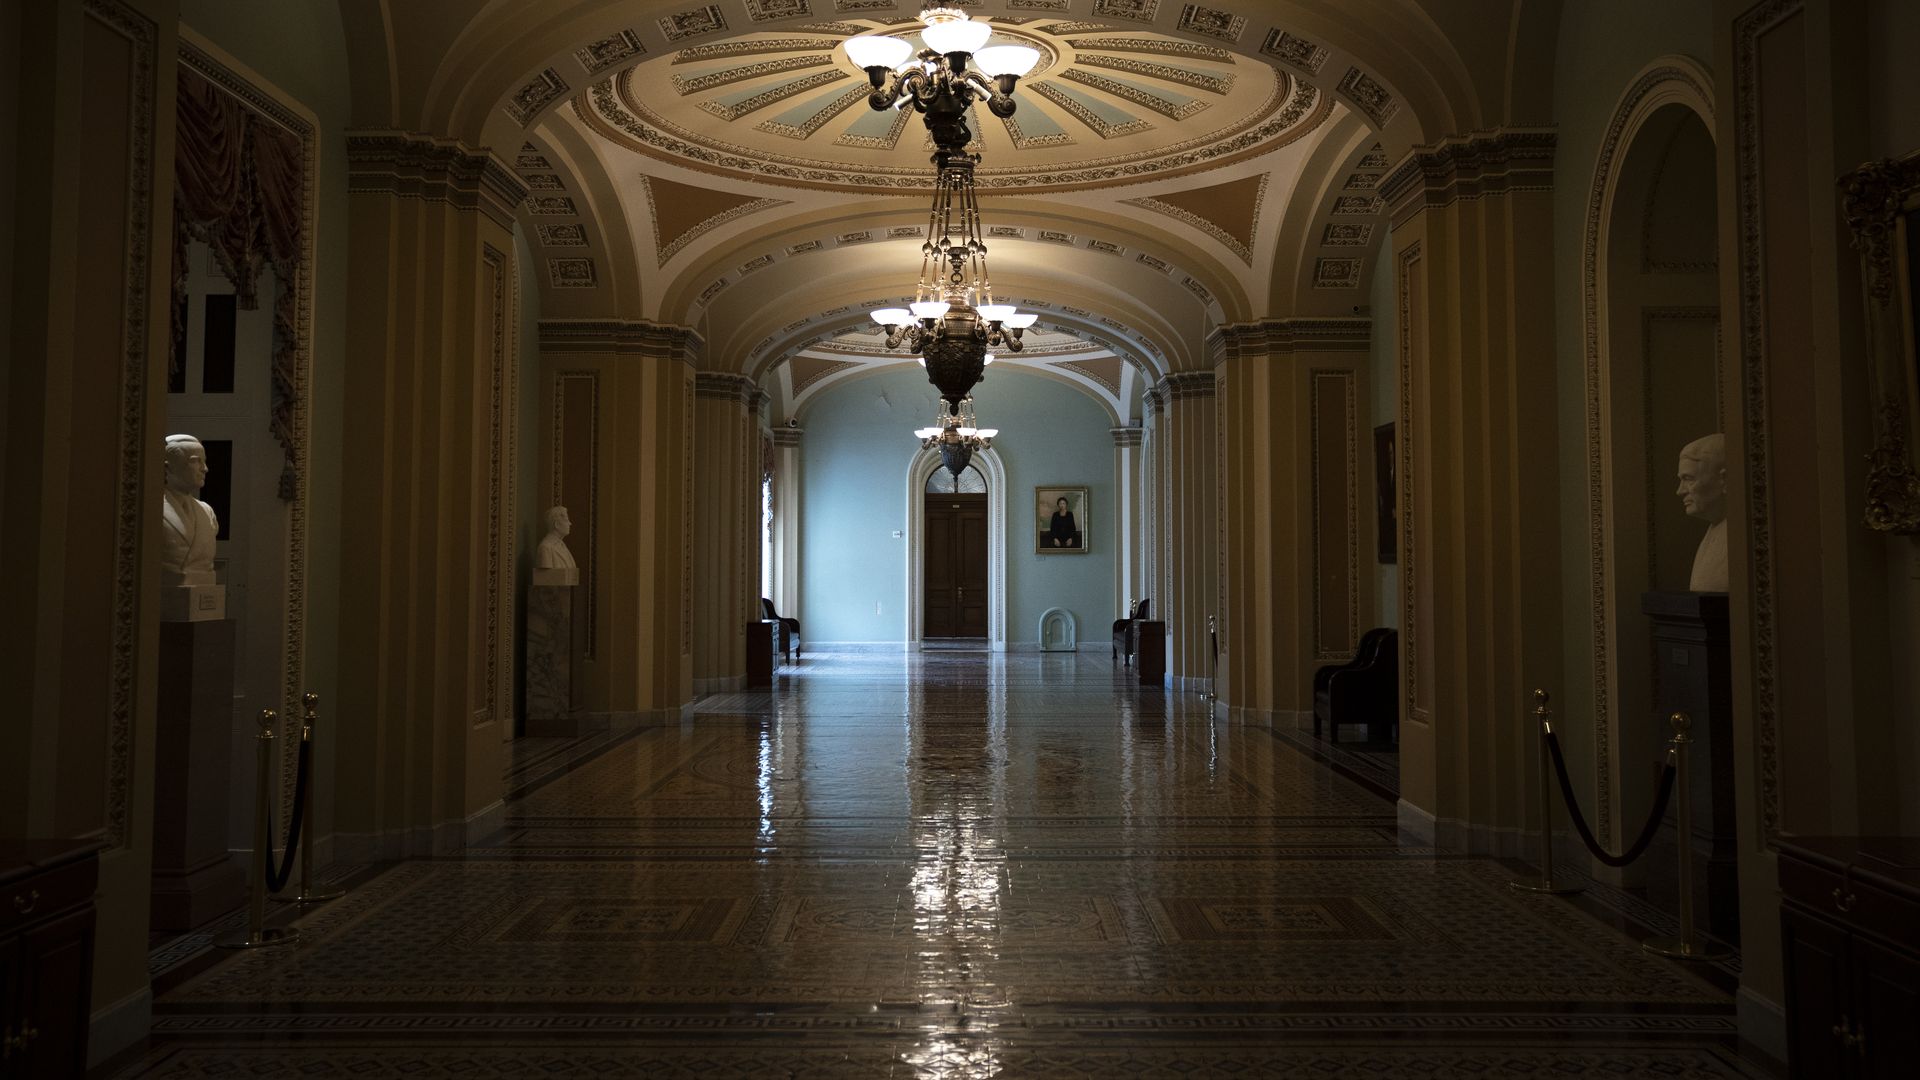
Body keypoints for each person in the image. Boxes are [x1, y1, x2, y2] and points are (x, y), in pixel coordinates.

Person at [160, 433, 219, 585]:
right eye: (196, 462)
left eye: (204, 462)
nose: (205, 469)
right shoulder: (152, 509)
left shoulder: (207, 512)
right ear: (168, 467)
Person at [1675, 433, 1727, 591]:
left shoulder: (1741, 536)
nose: (1680, 491)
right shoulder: (1715, 530)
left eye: (1689, 479)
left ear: (1724, 479)